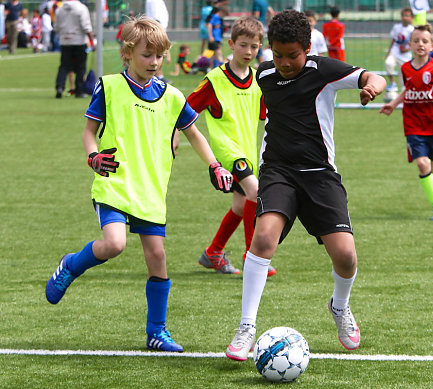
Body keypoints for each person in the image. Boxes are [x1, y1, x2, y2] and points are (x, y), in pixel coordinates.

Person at [45, 16, 233, 353]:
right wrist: (93, 158)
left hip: (150, 190)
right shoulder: (110, 86)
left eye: (159, 56)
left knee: (157, 257)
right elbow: (90, 132)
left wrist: (215, 165)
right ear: (127, 53)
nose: (154, 62)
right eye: (147, 55)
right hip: (115, 183)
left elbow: (195, 134)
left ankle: (156, 333)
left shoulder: (173, 96)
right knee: (114, 244)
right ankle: (71, 265)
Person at [225, 9, 386, 361]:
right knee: (263, 237)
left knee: (345, 256)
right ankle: (246, 326)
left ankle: (339, 307)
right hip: (278, 170)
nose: (283, 62)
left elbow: (374, 76)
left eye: (292, 55)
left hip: (320, 174)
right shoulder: (264, 73)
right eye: (278, 54)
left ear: (307, 48)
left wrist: (372, 86)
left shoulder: (324, 70)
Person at [187, 16, 276, 277]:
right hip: (226, 152)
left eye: (254, 46)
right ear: (231, 44)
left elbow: (263, 115)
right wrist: (175, 135)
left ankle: (213, 252)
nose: (248, 52)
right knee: (255, 191)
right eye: (243, 45)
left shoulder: (259, 80)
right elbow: (186, 109)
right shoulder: (215, 80)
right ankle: (253, 257)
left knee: (241, 206)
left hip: (247, 152)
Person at [380, 24, 433, 222]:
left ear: (432, 45)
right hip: (413, 124)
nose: (420, 44)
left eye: (425, 41)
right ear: (409, 44)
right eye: (416, 40)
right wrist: (392, 104)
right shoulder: (405, 67)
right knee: (421, 163)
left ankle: (432, 185)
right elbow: (408, 89)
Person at [54, 0, 95, 98]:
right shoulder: (81, 8)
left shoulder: (60, 9)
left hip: (65, 41)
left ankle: (60, 86)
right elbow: (86, 26)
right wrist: (92, 41)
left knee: (64, 66)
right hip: (79, 40)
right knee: (80, 67)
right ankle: (79, 91)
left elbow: (56, 27)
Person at [385, 7, 414, 92]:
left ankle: (403, 92)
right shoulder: (397, 27)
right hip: (395, 52)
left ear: (411, 18)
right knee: (388, 63)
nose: (405, 18)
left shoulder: (412, 30)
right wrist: (389, 52)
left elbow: (414, 43)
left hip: (405, 55)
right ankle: (392, 83)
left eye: (407, 16)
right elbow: (394, 39)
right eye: (403, 16)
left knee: (403, 76)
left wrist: (407, 49)